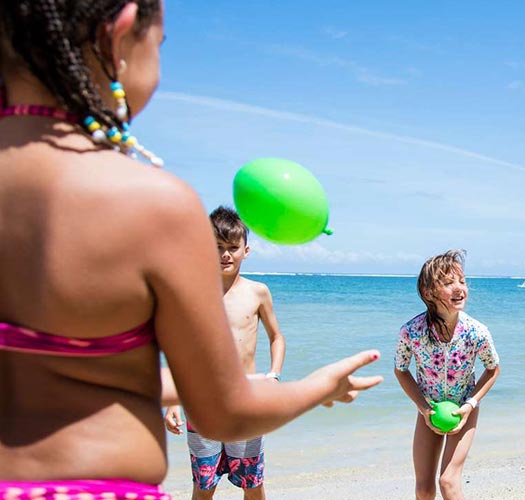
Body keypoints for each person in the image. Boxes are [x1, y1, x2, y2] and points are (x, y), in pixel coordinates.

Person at [0, 2, 382, 499]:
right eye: (159, 45)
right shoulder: (150, 204)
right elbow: (226, 412)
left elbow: (65, 375)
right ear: (119, 34)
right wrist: (320, 386)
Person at [163, 207, 286, 500]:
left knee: (252, 483)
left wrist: (274, 376)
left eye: (232, 247)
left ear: (246, 250)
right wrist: (173, 401)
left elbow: (276, 337)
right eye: (217, 247)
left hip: (247, 399)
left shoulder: (258, 292)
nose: (225, 255)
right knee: (204, 484)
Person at [394, 250, 500, 500]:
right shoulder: (411, 331)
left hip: (464, 410)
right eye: (448, 283)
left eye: (462, 281)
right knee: (423, 488)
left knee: (448, 481)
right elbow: (400, 369)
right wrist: (423, 408)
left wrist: (470, 404)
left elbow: (493, 368)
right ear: (429, 293)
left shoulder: (477, 332)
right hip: (428, 410)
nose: (459, 288)